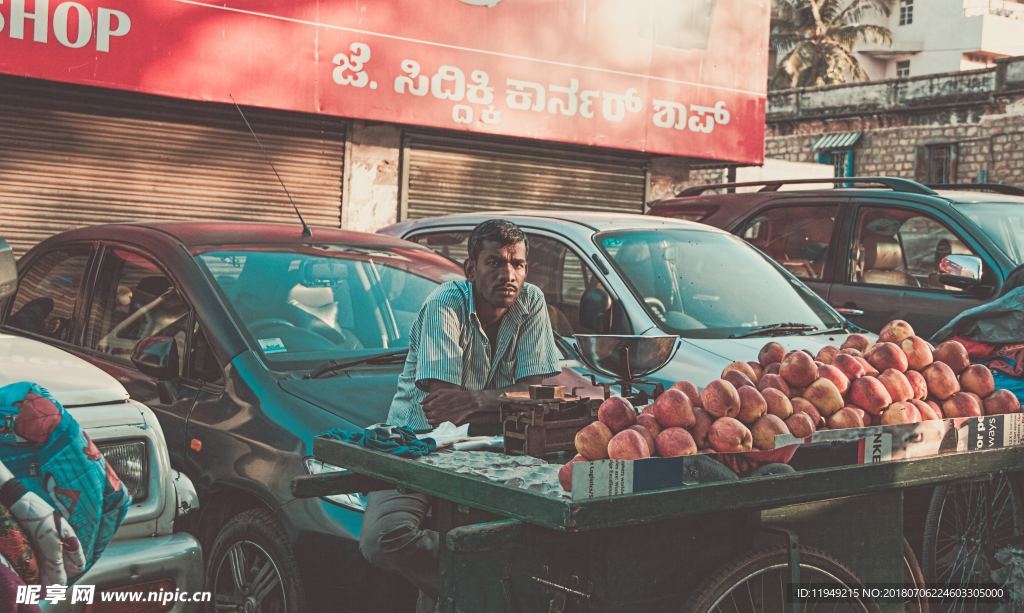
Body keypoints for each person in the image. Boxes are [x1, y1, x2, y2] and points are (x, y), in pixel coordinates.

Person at [359, 219, 561, 612]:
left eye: (517, 264)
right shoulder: (444, 305)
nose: (508, 274)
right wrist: (501, 400)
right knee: (384, 538)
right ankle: (481, 582)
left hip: (494, 449)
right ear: (470, 270)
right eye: (494, 263)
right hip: (417, 444)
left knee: (533, 528)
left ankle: (474, 583)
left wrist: (478, 400)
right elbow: (442, 409)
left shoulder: (531, 301)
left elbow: (535, 394)